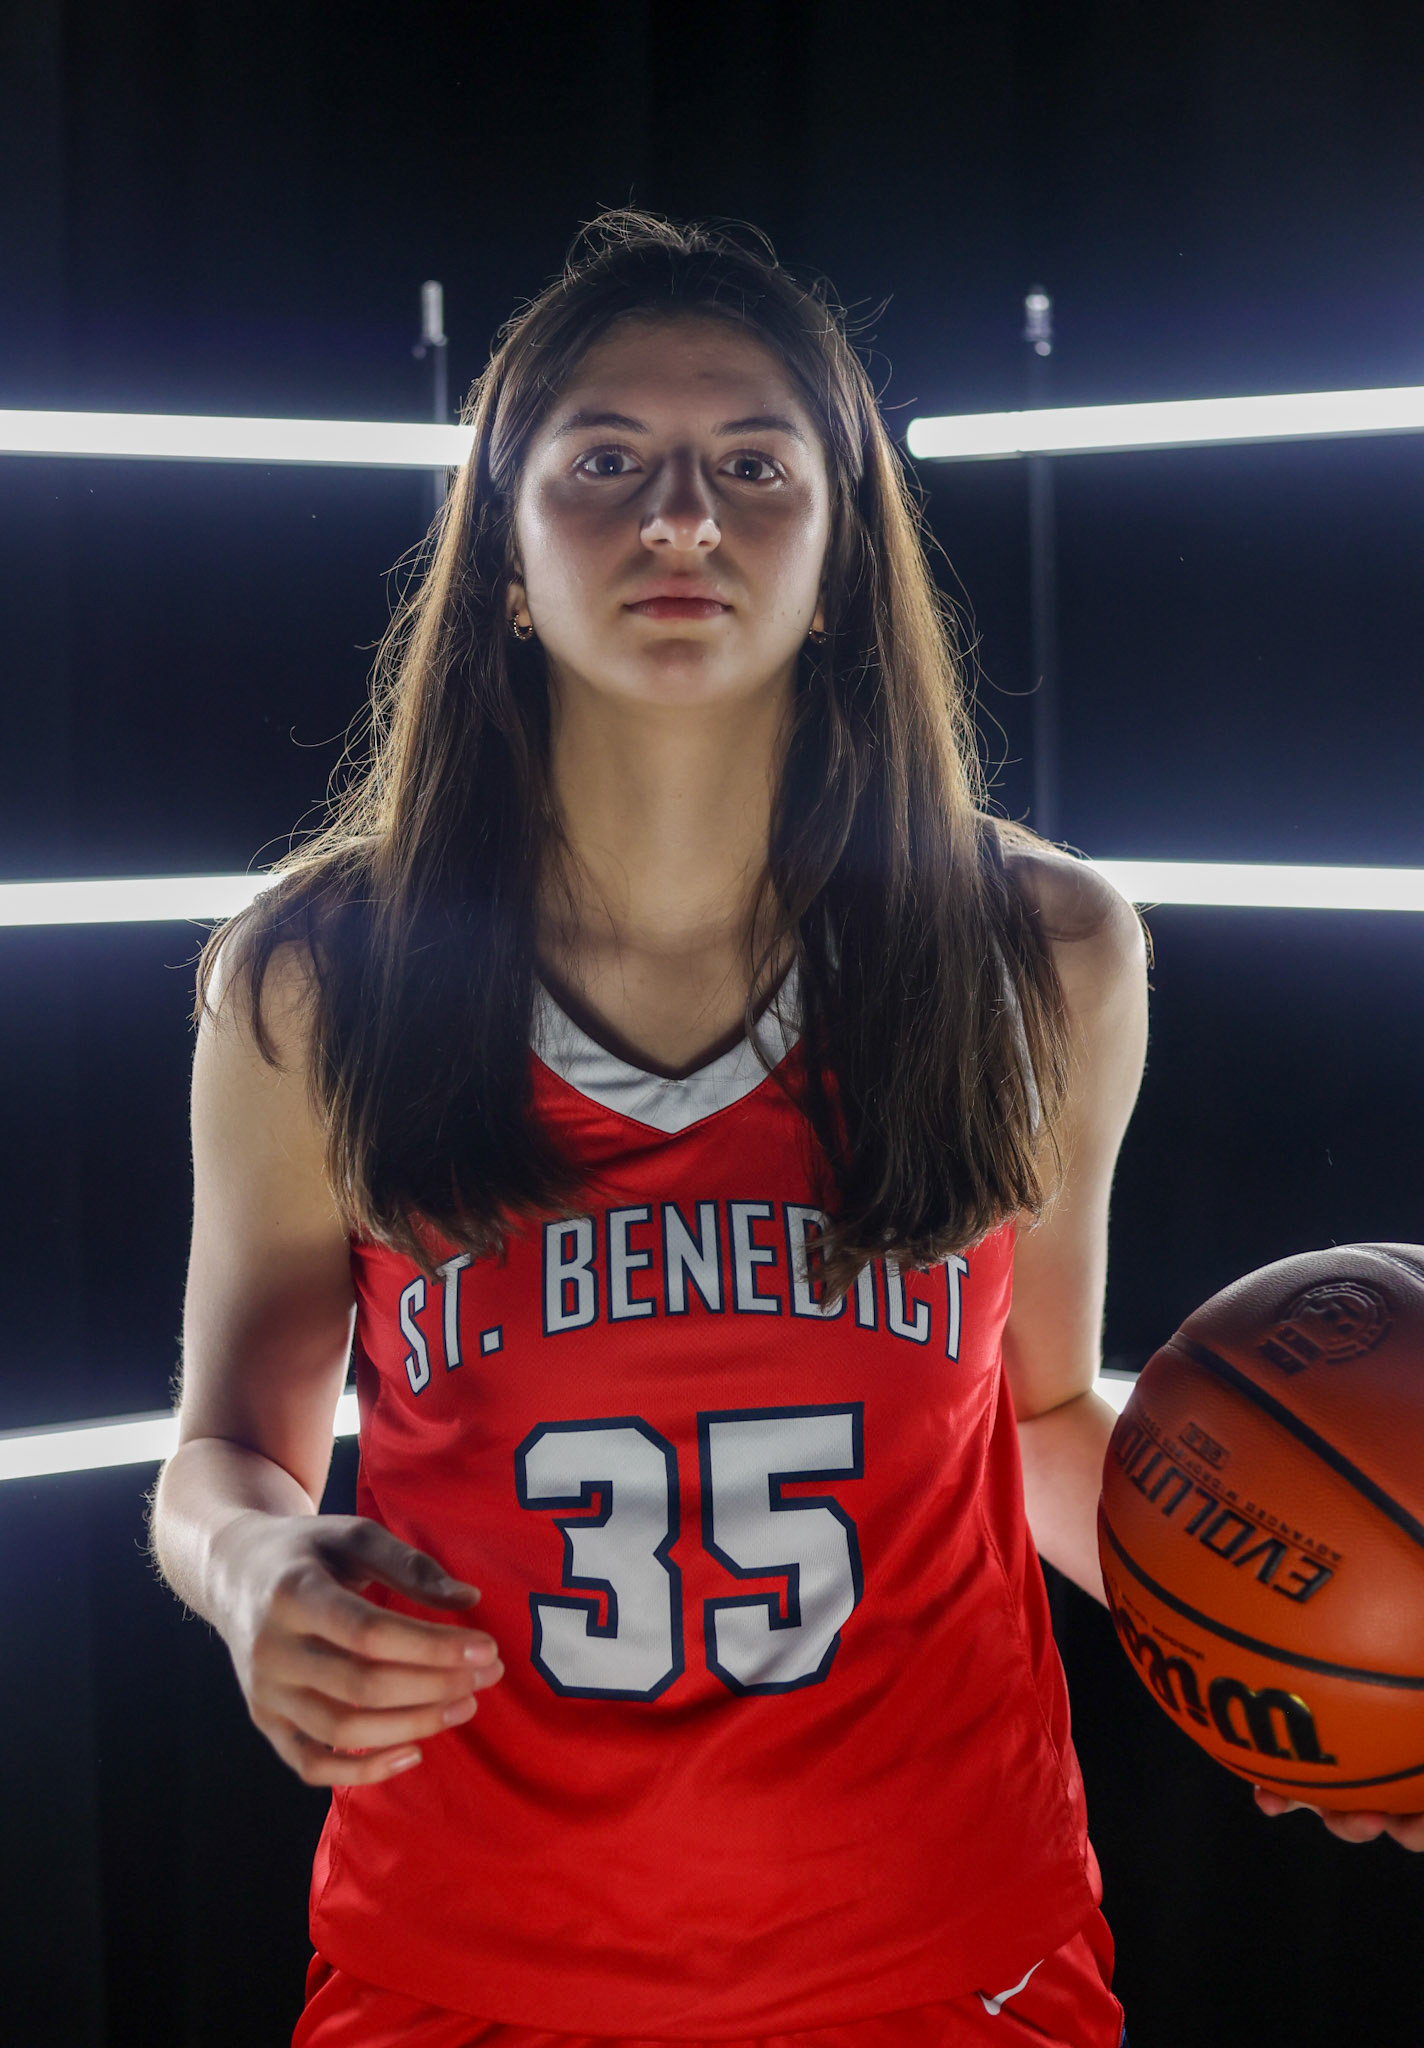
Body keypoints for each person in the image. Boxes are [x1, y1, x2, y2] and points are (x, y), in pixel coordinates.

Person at [149, 208, 1161, 2048]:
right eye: (604, 461)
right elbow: (227, 1449)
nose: (678, 517)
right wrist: (254, 1570)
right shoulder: (321, 978)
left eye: (751, 465)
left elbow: (1034, 1421)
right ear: (508, 563)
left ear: (843, 553)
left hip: (952, 1962)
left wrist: (1326, 1644)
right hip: (464, 1968)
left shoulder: (1042, 952)